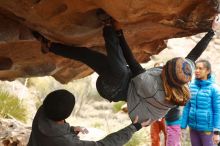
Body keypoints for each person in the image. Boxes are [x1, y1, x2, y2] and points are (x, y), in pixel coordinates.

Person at [34, 11, 220, 124]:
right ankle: (50, 46)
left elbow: (132, 61)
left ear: (167, 75)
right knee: (88, 55)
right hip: (127, 81)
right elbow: (194, 56)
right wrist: (212, 31)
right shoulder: (182, 77)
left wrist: (119, 30)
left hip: (112, 89)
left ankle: (108, 26)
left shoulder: (152, 86)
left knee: (121, 68)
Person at [28, 89, 148, 146]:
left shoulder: (42, 112)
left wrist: (71, 130)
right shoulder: (68, 143)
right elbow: (104, 145)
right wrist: (133, 127)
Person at [181, 59, 220, 146]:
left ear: (208, 71)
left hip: (207, 130)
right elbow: (187, 107)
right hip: (193, 129)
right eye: (196, 68)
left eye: (200, 68)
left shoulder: (214, 89)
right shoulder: (191, 87)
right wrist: (183, 126)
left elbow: (217, 112)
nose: (197, 71)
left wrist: (217, 132)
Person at [150, 62, 166, 146]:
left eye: (161, 67)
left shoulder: (168, 83)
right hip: (154, 116)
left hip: (166, 116)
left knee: (168, 137)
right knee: (154, 138)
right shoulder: (151, 83)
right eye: (157, 68)